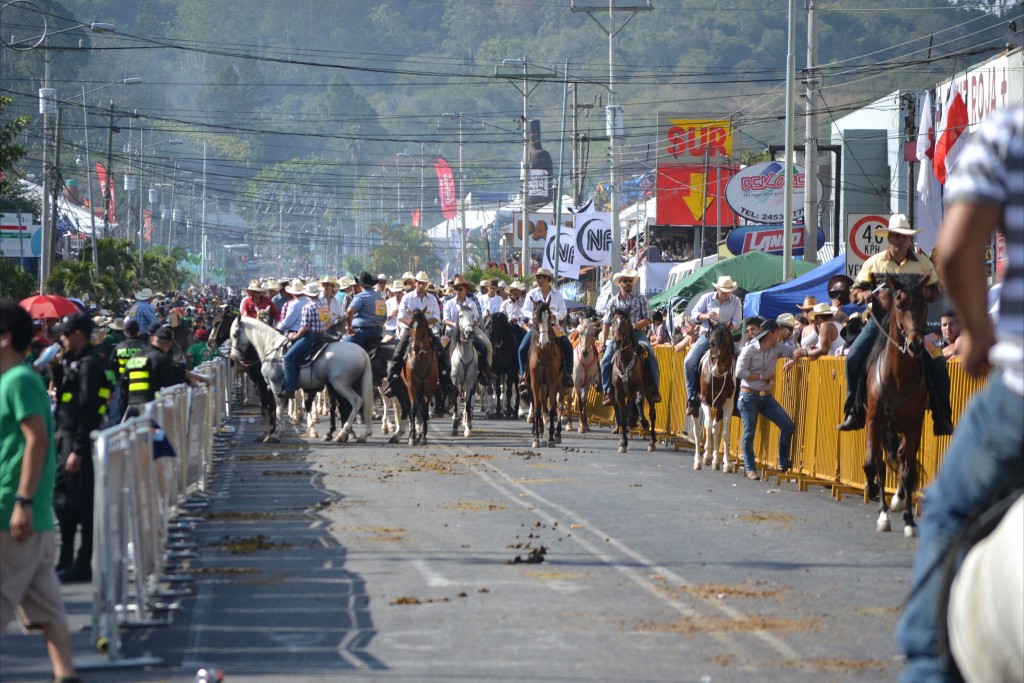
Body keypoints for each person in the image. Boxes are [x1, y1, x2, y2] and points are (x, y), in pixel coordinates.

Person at [896, 104, 1024, 683]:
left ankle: (927, 658)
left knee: (946, 511)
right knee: (857, 362)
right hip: (886, 325)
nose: (899, 240)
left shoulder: (1009, 131)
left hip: (1019, 389)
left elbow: (955, 253)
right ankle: (856, 404)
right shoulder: (878, 265)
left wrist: (976, 330)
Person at [0, 301, 81, 683]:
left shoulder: (18, 381)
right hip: (28, 514)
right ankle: (66, 675)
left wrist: (22, 501)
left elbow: (36, 442)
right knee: (46, 605)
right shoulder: (15, 379)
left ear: (5, 339)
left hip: (12, 512)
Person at [837, 213, 954, 435]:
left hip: (915, 324)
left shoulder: (923, 263)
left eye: (904, 237)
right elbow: (854, 292)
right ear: (888, 237)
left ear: (909, 239)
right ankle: (854, 410)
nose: (900, 241)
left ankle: (942, 417)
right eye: (896, 236)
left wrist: (925, 292)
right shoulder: (874, 262)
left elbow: (937, 289)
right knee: (853, 357)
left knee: (938, 361)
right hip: (880, 323)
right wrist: (862, 295)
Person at [49, 313, 110, 584]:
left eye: (64, 335)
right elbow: (65, 400)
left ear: (77, 335)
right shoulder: (74, 364)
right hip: (64, 440)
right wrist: (56, 370)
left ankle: (83, 563)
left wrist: (78, 448)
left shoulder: (89, 366)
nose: (61, 340)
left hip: (78, 443)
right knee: (62, 502)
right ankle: (65, 559)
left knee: (83, 506)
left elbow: (88, 411)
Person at [735, 320, 795, 480]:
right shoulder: (749, 349)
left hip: (765, 396)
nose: (780, 335)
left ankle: (783, 461)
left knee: (787, 425)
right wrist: (762, 376)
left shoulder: (778, 348)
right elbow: (739, 372)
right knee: (749, 433)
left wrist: (793, 360)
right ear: (771, 334)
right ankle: (750, 468)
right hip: (748, 396)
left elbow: (795, 352)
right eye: (778, 332)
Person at [599, 270, 662, 405]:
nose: (628, 283)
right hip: (618, 335)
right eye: (625, 281)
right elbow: (606, 322)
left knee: (650, 355)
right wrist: (603, 342)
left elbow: (647, 319)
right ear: (619, 283)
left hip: (637, 333)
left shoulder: (640, 299)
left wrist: (633, 326)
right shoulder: (613, 301)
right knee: (604, 361)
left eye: (630, 281)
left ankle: (654, 389)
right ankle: (607, 392)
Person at [684, 275, 743, 416]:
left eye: (729, 290)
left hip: (725, 338)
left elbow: (737, 322)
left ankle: (737, 399)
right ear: (717, 288)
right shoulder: (707, 298)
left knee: (741, 360)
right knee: (689, 362)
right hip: (708, 336)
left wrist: (728, 326)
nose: (727, 293)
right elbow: (694, 315)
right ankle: (692, 397)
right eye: (724, 290)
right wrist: (707, 316)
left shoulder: (736, 301)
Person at [385, 272, 452, 395]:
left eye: (423, 283)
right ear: (415, 283)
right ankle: (391, 382)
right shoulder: (407, 298)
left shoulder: (432, 299)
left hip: (427, 330)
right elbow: (401, 316)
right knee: (398, 353)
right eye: (419, 283)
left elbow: (437, 316)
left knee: (442, 353)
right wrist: (413, 323)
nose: (421, 285)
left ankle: (446, 381)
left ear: (426, 284)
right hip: (410, 330)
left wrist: (423, 324)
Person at [517, 268, 574, 392]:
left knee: (568, 346)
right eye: (537, 277)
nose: (538, 280)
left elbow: (563, 311)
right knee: (522, 348)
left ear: (547, 279)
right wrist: (535, 315)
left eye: (540, 277)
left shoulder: (557, 295)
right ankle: (522, 375)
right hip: (537, 327)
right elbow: (524, 310)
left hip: (553, 326)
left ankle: (568, 374)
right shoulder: (531, 294)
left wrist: (554, 316)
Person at [280, 283, 330, 400]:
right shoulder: (323, 305)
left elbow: (305, 327)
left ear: (307, 295)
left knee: (288, 357)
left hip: (309, 337)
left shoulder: (307, 307)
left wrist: (296, 336)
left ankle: (290, 388)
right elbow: (329, 323)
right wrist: (322, 330)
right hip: (321, 336)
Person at [443, 276, 493, 379]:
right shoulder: (449, 303)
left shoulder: (472, 303)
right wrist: (455, 325)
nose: (458, 291)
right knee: (439, 348)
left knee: (486, 345)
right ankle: (442, 375)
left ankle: (485, 371)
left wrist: (468, 326)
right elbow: (445, 320)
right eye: (456, 289)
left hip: (470, 329)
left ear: (466, 290)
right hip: (452, 331)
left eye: (460, 289)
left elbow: (476, 319)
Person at [343, 272, 386, 349]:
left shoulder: (361, 296)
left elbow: (350, 311)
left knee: (342, 347)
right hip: (378, 332)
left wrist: (349, 327)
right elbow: (384, 318)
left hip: (362, 331)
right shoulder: (380, 298)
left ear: (360, 285)